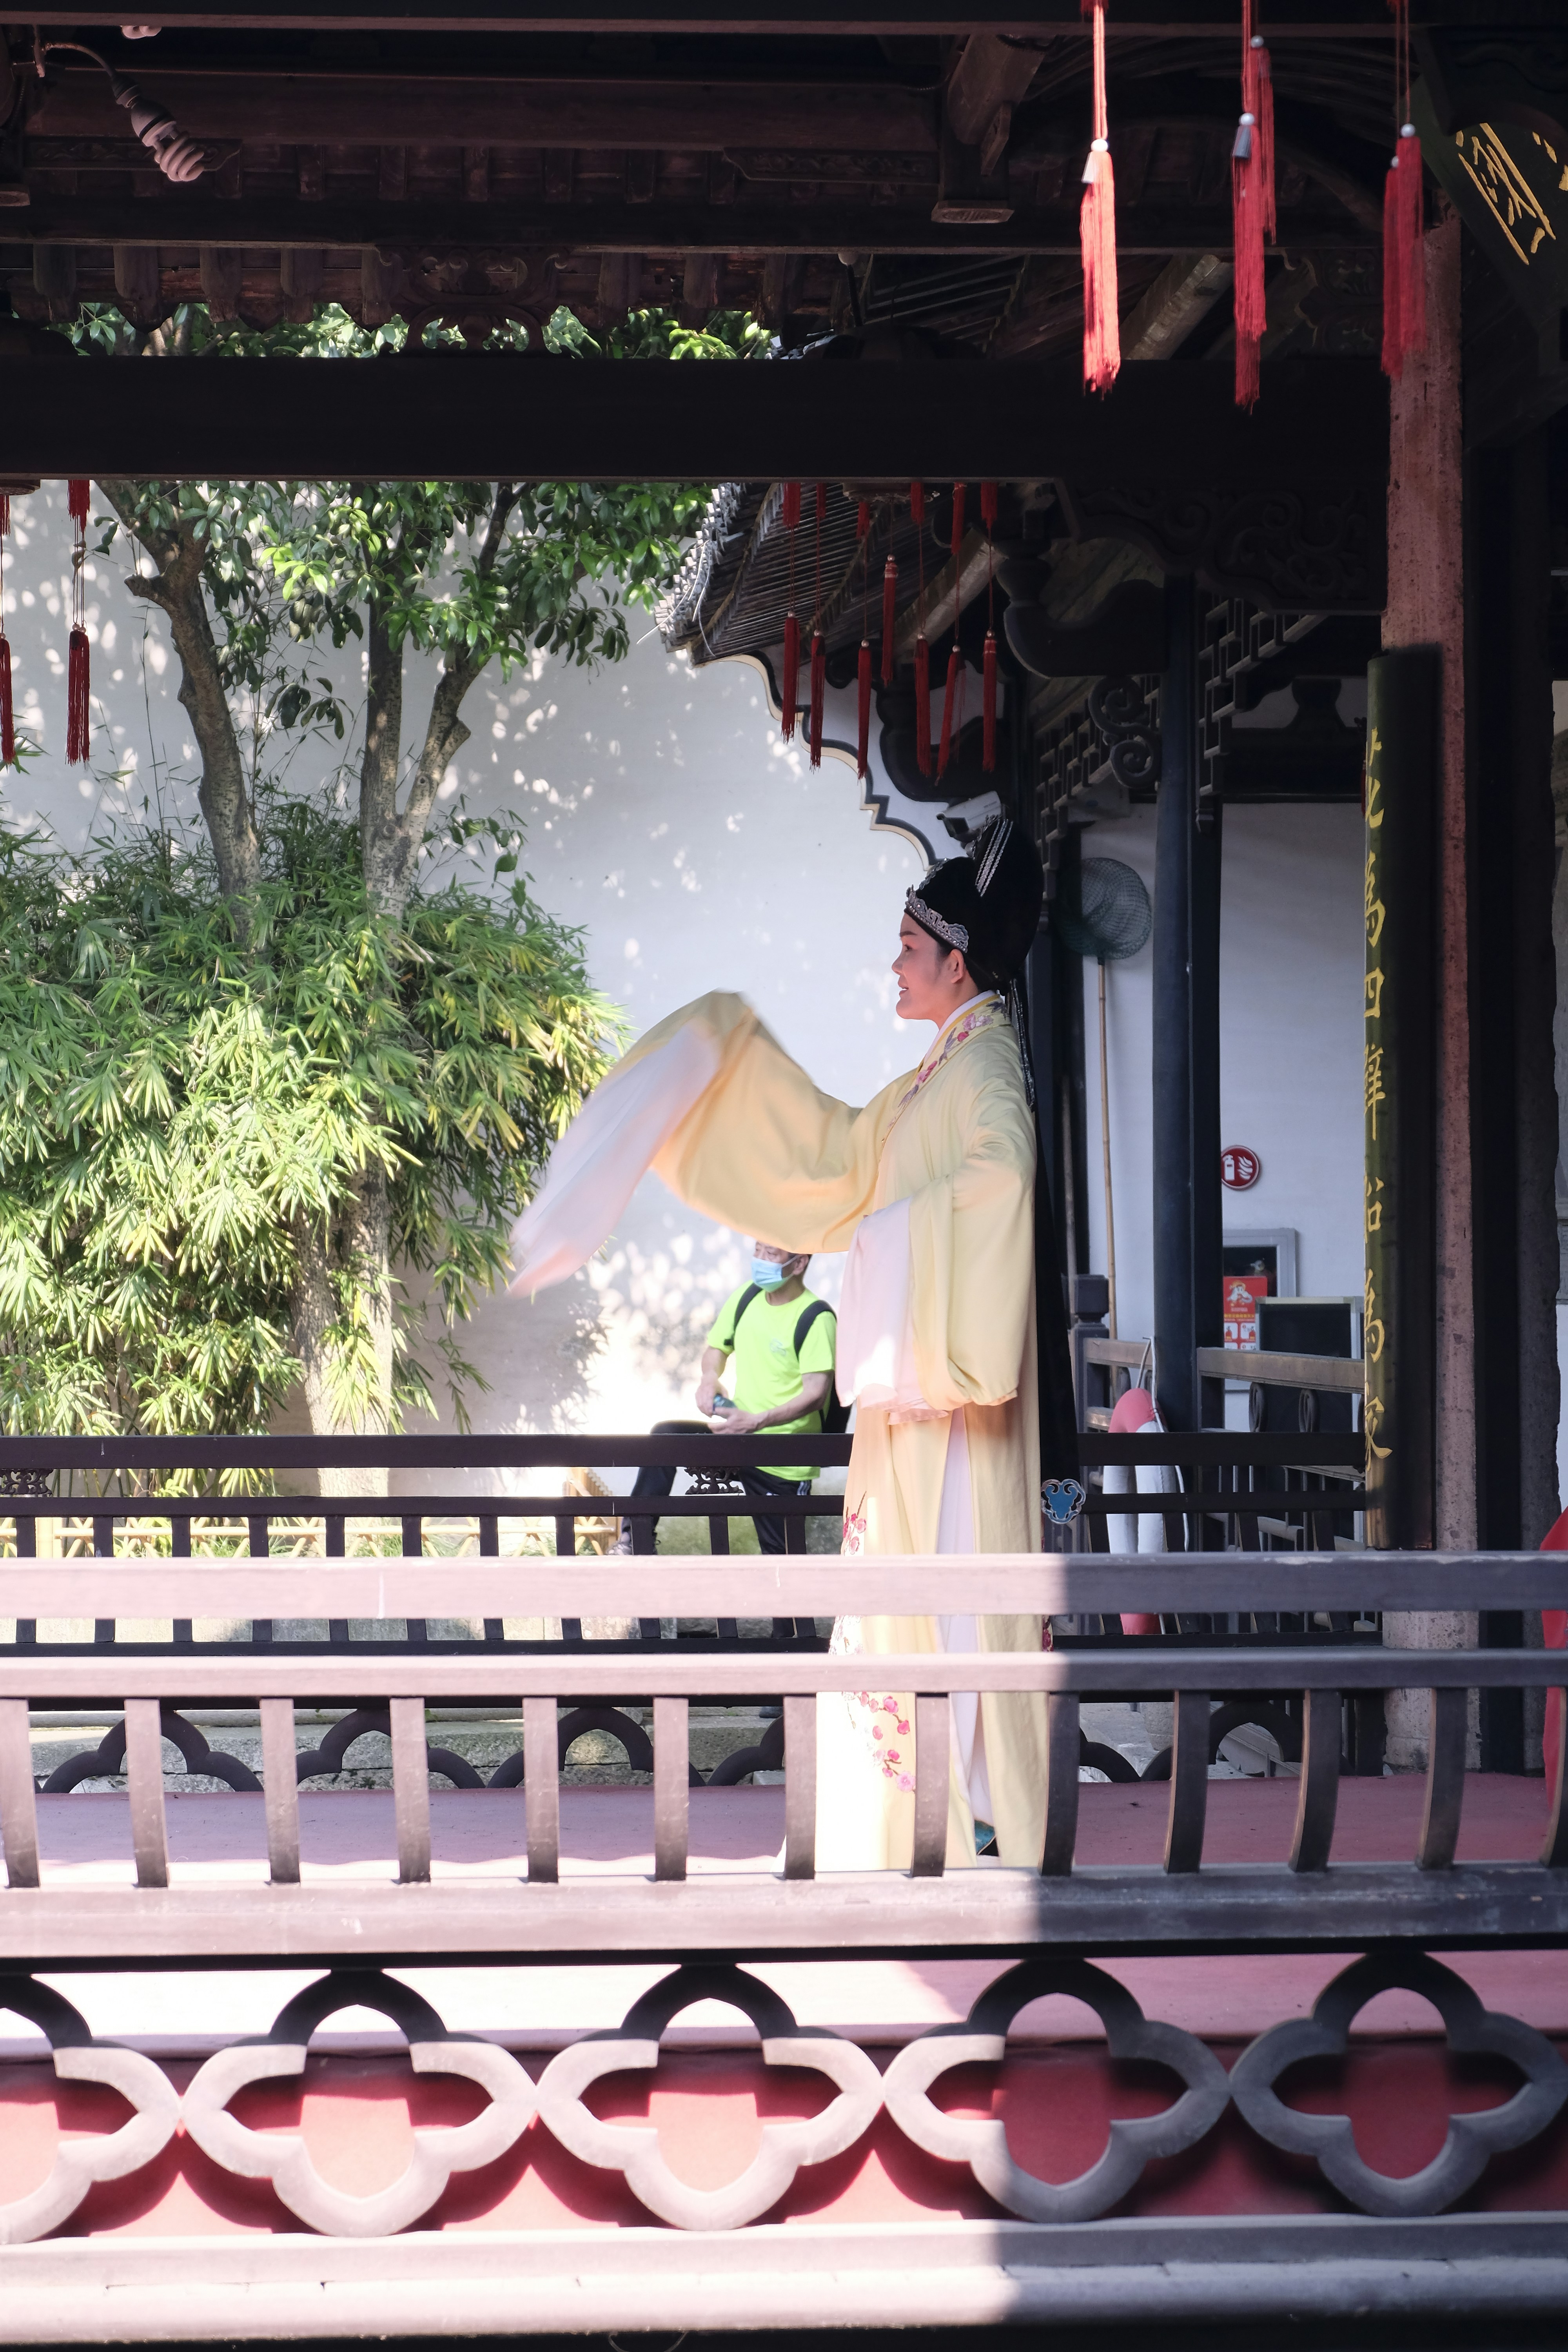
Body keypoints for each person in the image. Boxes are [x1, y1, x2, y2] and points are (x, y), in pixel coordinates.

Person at [510, 816, 1075, 1873]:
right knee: (911, 1615)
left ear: (958, 963)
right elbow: (833, 1157)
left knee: (947, 1607)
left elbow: (996, 1189)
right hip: (916, 1410)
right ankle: (919, 1828)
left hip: (951, 1418)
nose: (893, 966)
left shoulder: (987, 1068)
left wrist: (880, 1249)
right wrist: (712, 1064)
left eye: (909, 949)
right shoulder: (938, 1073)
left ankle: (967, 1831)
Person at [609, 1240, 838, 1557]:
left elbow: (816, 1394)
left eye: (771, 1254)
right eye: (758, 1250)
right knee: (666, 1438)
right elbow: (717, 1349)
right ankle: (633, 1542)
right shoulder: (748, 1297)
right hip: (735, 1437)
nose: (760, 1259)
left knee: (784, 1563)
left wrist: (758, 1421)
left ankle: (792, 1603)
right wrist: (709, 1379)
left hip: (785, 1457)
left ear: (799, 1264)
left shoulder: (816, 1317)